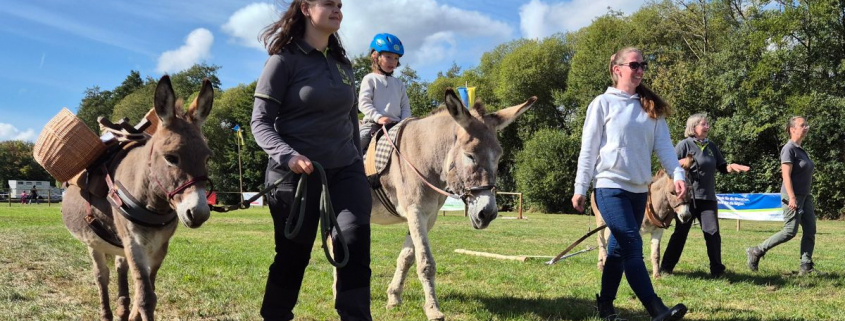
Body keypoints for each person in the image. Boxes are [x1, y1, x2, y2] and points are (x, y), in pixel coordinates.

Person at [250, 0, 373, 320]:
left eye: (340, 5)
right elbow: (260, 122)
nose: (338, 10)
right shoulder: (283, 61)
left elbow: (351, 121)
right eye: (328, 4)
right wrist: (288, 156)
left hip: (346, 169)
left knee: (354, 242)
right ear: (305, 8)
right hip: (295, 175)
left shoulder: (344, 65)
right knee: (293, 255)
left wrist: (357, 164)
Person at [572, 47, 687, 321]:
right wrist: (580, 187)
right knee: (632, 244)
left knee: (618, 250)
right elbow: (588, 150)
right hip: (609, 187)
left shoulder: (650, 108)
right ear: (617, 69)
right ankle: (656, 309)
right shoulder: (602, 103)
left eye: (642, 65)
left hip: (639, 191)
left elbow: (665, 149)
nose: (639, 70)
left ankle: (605, 307)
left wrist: (679, 175)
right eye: (633, 65)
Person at [660, 113, 750, 278]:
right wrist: (681, 163)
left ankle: (717, 271)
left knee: (713, 233)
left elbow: (722, 167)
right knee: (680, 234)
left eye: (707, 124)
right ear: (693, 127)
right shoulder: (684, 145)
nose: (707, 127)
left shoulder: (711, 146)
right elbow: (669, 164)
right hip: (686, 199)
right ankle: (666, 269)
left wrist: (731, 167)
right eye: (704, 124)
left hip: (707, 198)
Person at [746, 116, 817, 275]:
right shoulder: (789, 148)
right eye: (802, 125)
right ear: (793, 129)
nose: (807, 127)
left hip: (805, 196)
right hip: (792, 195)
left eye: (806, 124)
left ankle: (806, 266)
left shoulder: (801, 149)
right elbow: (786, 175)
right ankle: (757, 251)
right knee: (790, 231)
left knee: (810, 230)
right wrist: (791, 197)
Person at [358, 33, 410, 153]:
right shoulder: (370, 78)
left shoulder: (399, 83)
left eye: (396, 58)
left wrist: (404, 122)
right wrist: (379, 117)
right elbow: (364, 103)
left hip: (397, 125)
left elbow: (405, 106)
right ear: (376, 56)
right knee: (358, 142)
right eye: (388, 57)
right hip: (374, 124)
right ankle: (350, 168)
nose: (393, 61)